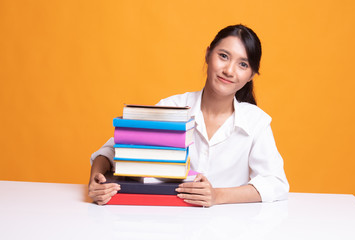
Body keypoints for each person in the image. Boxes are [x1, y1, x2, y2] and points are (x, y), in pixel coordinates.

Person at [88, 24, 289, 206]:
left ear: (251, 75)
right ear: (208, 55)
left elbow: (276, 183)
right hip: (171, 222)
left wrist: (217, 195)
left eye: (243, 64)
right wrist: (96, 179)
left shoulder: (256, 121)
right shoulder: (171, 108)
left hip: (230, 227)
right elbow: (114, 149)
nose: (229, 70)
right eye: (224, 56)